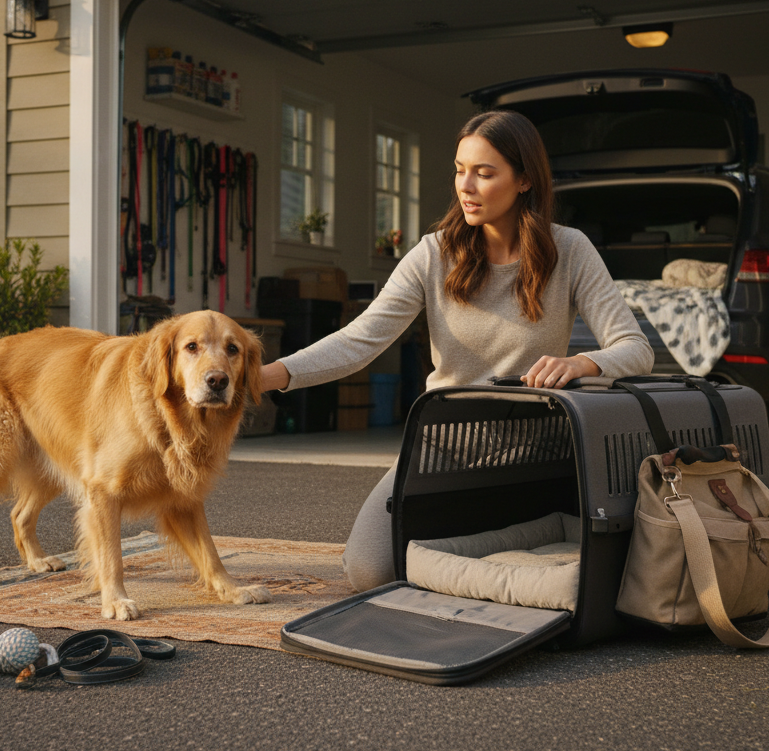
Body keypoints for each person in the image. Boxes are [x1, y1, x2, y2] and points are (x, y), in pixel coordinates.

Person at [258, 110, 654, 591]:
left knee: (586, 571)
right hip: (444, 445)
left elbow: (635, 348)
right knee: (369, 571)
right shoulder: (432, 253)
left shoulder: (568, 250)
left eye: (485, 173)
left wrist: (582, 363)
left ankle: (469, 549)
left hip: (538, 454)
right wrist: (265, 376)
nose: (466, 185)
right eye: (460, 169)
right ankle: (468, 548)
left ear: (524, 179)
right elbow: (359, 340)